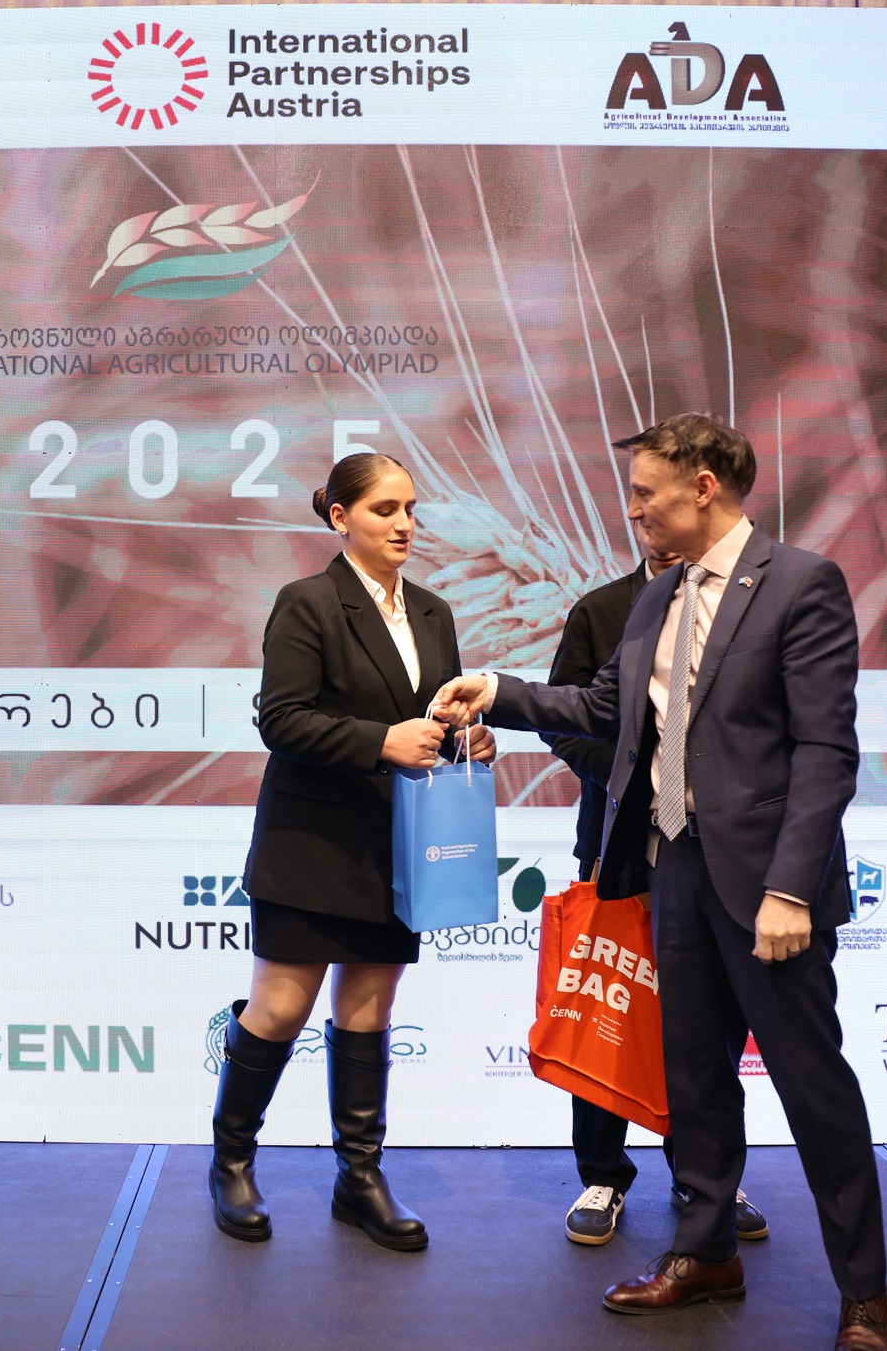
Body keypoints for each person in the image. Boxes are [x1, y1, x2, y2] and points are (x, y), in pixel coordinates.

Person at [433, 414, 887, 1351]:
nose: (633, 507)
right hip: (670, 866)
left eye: (646, 490)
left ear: (704, 485)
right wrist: (498, 690)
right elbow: (601, 705)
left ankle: (866, 1297)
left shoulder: (802, 583)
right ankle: (704, 1251)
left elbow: (825, 752)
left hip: (768, 888)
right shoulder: (656, 597)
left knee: (814, 1087)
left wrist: (791, 889)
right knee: (692, 1079)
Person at [207, 452, 495, 1252]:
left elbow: (434, 720)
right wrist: (381, 741)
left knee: (369, 1012)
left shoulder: (434, 611)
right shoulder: (307, 602)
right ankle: (231, 1163)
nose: (404, 524)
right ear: (339, 517)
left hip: (394, 845)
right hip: (310, 843)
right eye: (383, 509)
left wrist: (467, 741)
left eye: (411, 508)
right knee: (280, 1009)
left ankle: (359, 1178)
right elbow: (281, 720)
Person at [544, 548, 770, 1250]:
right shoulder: (602, 610)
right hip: (616, 846)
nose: (659, 521)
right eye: (644, 504)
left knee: (709, 1020)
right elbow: (561, 718)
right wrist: (630, 775)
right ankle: (602, 1176)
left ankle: (706, 1174)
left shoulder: (745, 606)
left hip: (715, 854)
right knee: (604, 1007)